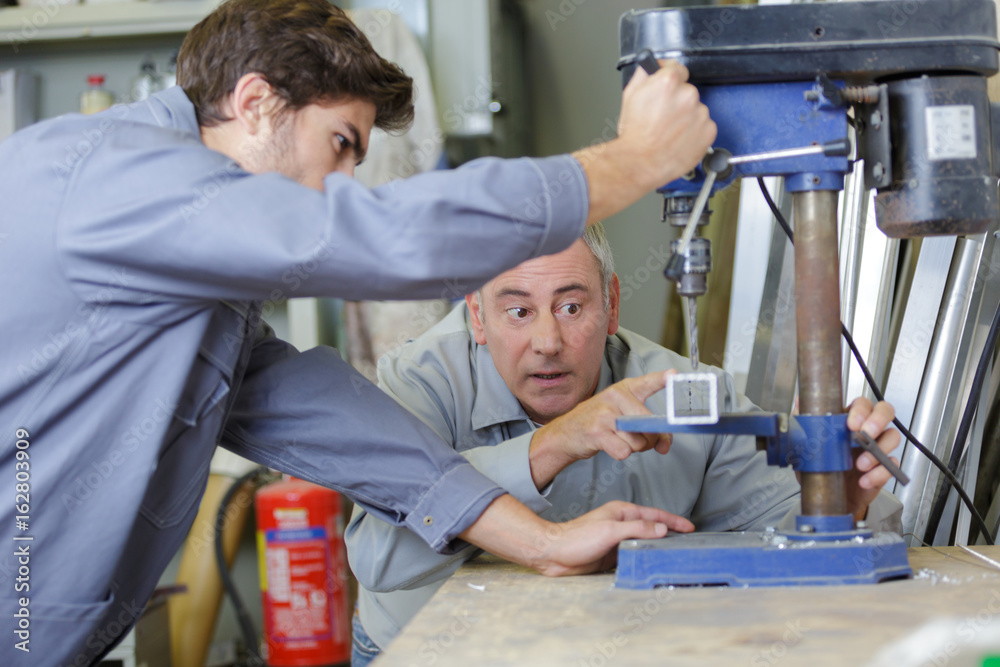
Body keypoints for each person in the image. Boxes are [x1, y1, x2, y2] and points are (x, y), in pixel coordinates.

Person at [0, 0, 718, 663]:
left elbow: (328, 421)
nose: (343, 184)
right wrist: (631, 162)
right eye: (339, 144)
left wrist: (544, 543)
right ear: (254, 105)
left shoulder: (192, 276)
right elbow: (370, 236)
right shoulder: (114, 175)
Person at [345, 223, 904, 664]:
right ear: (477, 315)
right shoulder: (419, 382)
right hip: (432, 646)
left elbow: (790, 539)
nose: (547, 341)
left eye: (571, 307)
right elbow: (378, 556)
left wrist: (838, 501)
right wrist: (552, 445)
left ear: (611, 304)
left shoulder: (675, 390)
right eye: (518, 311)